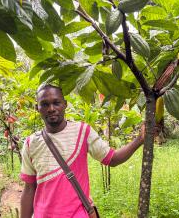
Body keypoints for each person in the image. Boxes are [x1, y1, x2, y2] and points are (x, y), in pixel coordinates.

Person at [20, 84, 145, 218]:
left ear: (65, 104)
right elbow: (29, 188)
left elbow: (112, 159)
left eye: (56, 103)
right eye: (44, 104)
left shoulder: (82, 131)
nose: (51, 109)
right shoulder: (31, 143)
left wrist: (139, 140)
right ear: (37, 108)